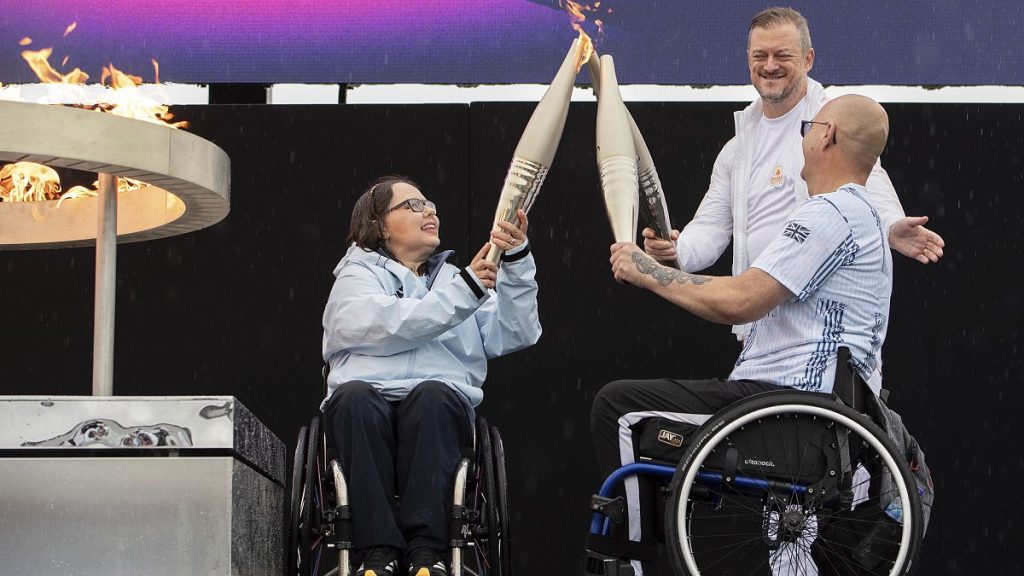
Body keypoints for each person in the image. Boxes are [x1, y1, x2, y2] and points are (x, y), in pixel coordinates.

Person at [593, 95, 898, 575]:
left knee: (619, 410)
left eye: (808, 127)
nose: (801, 137)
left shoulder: (832, 214)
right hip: (815, 421)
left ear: (827, 136)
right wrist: (672, 256)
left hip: (790, 415)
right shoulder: (859, 217)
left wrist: (646, 272)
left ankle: (631, 566)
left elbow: (741, 300)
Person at [643, 7, 945, 341]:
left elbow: (867, 177)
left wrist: (890, 225)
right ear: (748, 60)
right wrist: (675, 251)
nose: (770, 65)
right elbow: (711, 227)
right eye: (760, 55)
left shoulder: (831, 123)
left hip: (821, 332)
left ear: (808, 59)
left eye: (782, 55)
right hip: (759, 335)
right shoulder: (736, 150)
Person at [321, 175, 541, 576]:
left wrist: (516, 261)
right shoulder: (355, 276)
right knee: (354, 398)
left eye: (430, 205)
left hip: (438, 404)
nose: (429, 212)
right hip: (366, 400)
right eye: (413, 205)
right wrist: (465, 292)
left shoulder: (457, 279)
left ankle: (427, 554)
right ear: (380, 225)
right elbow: (386, 325)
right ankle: (377, 554)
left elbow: (517, 332)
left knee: (433, 396)